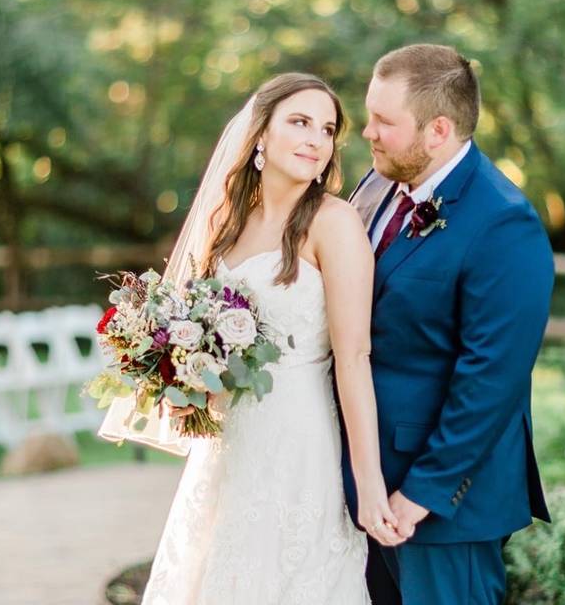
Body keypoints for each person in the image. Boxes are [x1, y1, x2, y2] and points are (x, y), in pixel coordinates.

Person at [98, 73, 401, 604]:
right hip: (229, 443)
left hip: (300, 438)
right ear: (260, 134)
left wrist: (368, 480)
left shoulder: (334, 222)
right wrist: (183, 365)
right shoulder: (227, 221)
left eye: (327, 129)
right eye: (300, 122)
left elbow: (354, 357)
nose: (316, 139)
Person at [344, 43, 555, 604]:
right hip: (360, 483)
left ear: (437, 130)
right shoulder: (375, 185)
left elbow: (491, 378)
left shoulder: (504, 224)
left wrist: (423, 493)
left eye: (384, 121)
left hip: (439, 508)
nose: (368, 132)